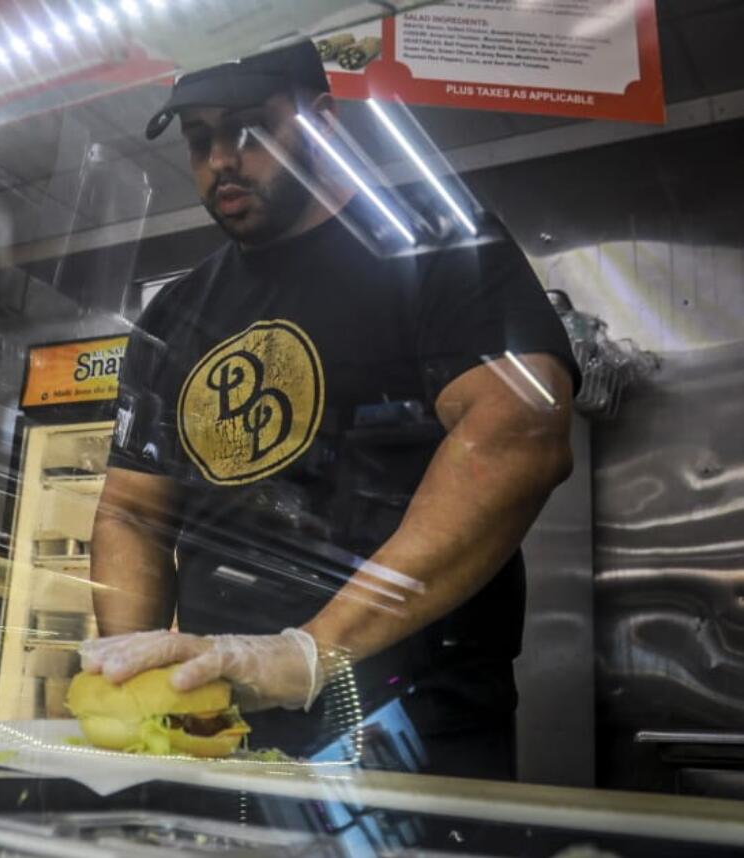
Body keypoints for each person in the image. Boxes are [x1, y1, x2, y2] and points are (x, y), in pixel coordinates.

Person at [78, 41, 580, 779]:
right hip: (223, 724)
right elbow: (130, 511)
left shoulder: (433, 243)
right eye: (199, 141)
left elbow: (518, 435)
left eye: (248, 130)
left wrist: (309, 652)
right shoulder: (176, 314)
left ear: (320, 122)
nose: (220, 160)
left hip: (407, 723)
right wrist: (139, 680)